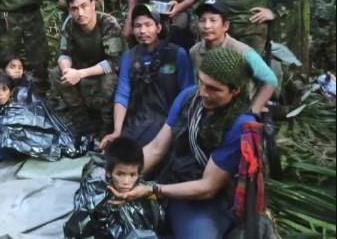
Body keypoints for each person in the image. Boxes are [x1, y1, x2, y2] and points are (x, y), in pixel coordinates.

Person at [109, 47, 257, 238]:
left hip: (204, 197)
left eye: (213, 88)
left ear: (235, 90)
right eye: (201, 82)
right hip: (173, 177)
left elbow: (208, 187)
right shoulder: (189, 97)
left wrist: (152, 190)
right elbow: (156, 149)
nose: (203, 92)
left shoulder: (240, 125)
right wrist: (123, 175)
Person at [101, 3, 194, 148]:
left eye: (148, 25)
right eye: (137, 26)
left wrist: (180, 126)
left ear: (158, 27)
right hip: (137, 122)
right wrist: (117, 131)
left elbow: (187, 93)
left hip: (168, 122)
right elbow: (122, 94)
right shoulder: (129, 57)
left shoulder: (177, 54)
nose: (142, 30)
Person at [50, 0, 123, 137]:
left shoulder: (108, 23)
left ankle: (107, 128)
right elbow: (64, 54)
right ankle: (83, 124)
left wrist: (80, 74)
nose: (80, 13)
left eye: (84, 6)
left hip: (104, 71)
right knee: (56, 73)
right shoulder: (69, 24)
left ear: (93, 5)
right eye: (74, 9)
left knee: (109, 80)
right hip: (82, 69)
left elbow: (114, 62)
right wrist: (67, 72)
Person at [190, 0, 278, 114]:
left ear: (225, 26)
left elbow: (270, 80)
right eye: (202, 20)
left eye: (213, 20)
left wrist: (254, 110)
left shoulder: (241, 51)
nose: (207, 26)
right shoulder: (195, 51)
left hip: (238, 110)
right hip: (208, 107)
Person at [64, 136, 162, 238]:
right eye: (120, 174)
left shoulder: (144, 191)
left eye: (132, 175)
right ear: (109, 172)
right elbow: (79, 225)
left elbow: (155, 218)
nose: (126, 182)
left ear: (139, 173)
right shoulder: (96, 192)